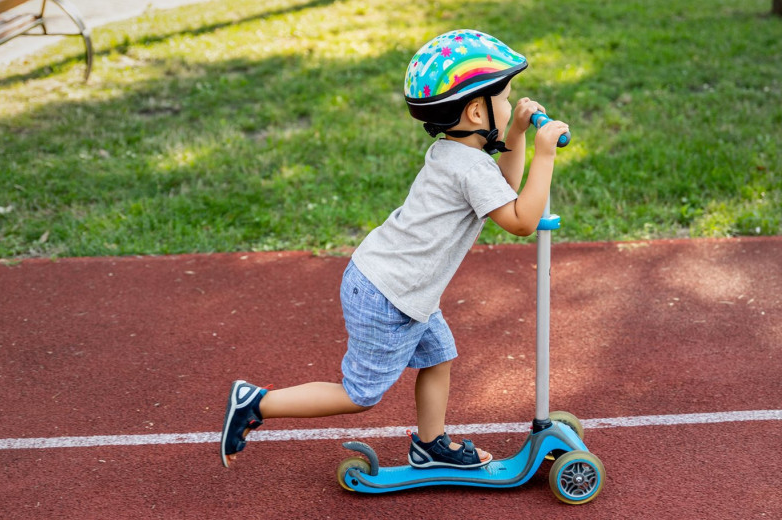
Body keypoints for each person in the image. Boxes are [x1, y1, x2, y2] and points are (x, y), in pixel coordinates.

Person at [221, 29, 569, 470]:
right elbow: (520, 220)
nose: (511, 102)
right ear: (476, 110)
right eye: (505, 97)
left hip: (396, 285)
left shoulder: (455, 154)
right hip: (390, 295)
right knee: (359, 395)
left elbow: (502, 185)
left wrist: (515, 130)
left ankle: (430, 444)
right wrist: (544, 155)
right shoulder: (469, 169)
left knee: (438, 357)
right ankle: (256, 403)